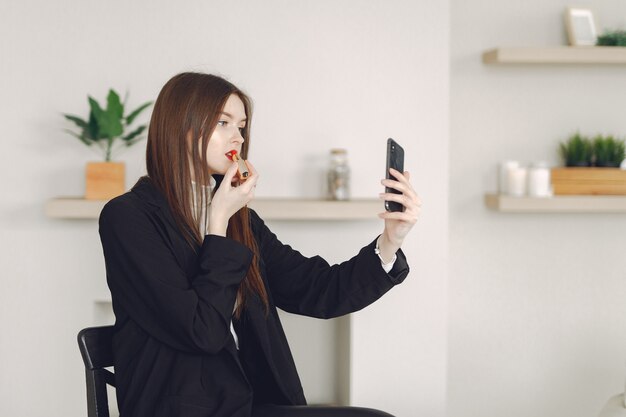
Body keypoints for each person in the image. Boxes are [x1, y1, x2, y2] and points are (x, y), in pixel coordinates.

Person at [98, 72, 421, 417]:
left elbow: (319, 289)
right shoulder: (128, 217)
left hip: (252, 403)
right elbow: (201, 331)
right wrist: (217, 223)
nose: (237, 136)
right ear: (181, 127)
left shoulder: (242, 219)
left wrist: (390, 241)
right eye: (224, 122)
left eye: (242, 126)